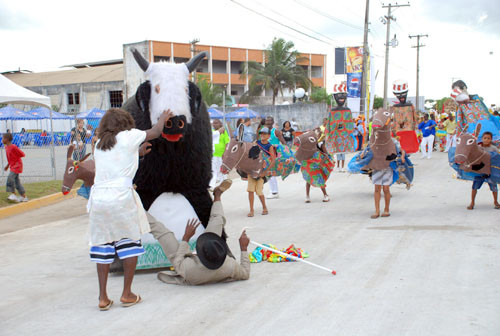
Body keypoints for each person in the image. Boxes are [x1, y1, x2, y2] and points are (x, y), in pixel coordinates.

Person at [88, 108, 174, 311]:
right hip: (121, 198)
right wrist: (163, 119)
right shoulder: (129, 136)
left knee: (103, 244)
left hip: (99, 199)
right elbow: (155, 132)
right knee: (128, 242)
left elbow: (117, 160)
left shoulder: (100, 144)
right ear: (125, 122)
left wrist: (137, 153)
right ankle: (126, 294)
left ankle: (103, 297)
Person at [148, 180, 251, 285]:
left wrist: (186, 239)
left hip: (186, 261)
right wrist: (243, 249)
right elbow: (245, 273)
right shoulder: (229, 265)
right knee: (217, 219)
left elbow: (178, 261)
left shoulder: (188, 269)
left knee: (162, 232)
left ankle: (136, 209)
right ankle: (217, 195)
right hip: (208, 257)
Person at [371, 137, 406, 218]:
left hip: (388, 167)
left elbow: (401, 150)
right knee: (377, 188)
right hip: (377, 166)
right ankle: (377, 211)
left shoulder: (393, 141)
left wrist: (402, 157)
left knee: (386, 188)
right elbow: (368, 151)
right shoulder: (374, 140)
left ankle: (386, 209)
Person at [467, 132, 500, 210]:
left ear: (491, 139)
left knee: (494, 187)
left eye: (488, 138)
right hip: (480, 171)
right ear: (482, 139)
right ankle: (472, 202)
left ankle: (496, 202)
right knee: (474, 187)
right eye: (485, 138)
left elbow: (498, 158)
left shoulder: (493, 148)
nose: (486, 140)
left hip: (490, 172)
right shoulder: (478, 147)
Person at [248, 127, 276, 216]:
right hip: (252, 170)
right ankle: (251, 210)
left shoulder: (270, 146)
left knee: (259, 191)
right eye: (261, 134)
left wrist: (265, 171)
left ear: (268, 135)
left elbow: (273, 160)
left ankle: (264, 207)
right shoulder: (256, 143)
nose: (262, 135)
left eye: (264, 134)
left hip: (261, 172)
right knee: (250, 190)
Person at [265, 116, 286, 199]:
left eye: (270, 121)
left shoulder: (276, 131)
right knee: (268, 173)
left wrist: (283, 151)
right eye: (267, 120)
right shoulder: (264, 131)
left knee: (271, 172)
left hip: (274, 154)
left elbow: (283, 142)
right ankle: (273, 191)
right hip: (266, 155)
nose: (268, 122)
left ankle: (274, 192)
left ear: (273, 122)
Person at [2, 133, 27, 202]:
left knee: (10, 178)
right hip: (12, 166)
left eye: (3, 138)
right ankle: (24, 197)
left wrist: (16, 159)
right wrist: (7, 166)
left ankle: (13, 194)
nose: (2, 140)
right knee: (17, 182)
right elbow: (10, 158)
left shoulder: (13, 147)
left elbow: (22, 154)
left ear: (7, 139)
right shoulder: (6, 147)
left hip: (17, 166)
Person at [210, 119, 230, 189]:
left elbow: (227, 143)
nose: (214, 124)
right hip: (213, 154)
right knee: (213, 170)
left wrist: (225, 153)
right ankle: (212, 185)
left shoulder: (224, 132)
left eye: (216, 123)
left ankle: (223, 183)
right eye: (213, 123)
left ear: (220, 124)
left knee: (221, 169)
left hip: (221, 154)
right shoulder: (212, 132)